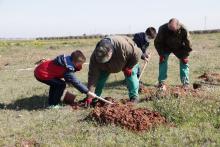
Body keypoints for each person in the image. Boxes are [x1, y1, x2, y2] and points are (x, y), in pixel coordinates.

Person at [84, 35, 143, 105]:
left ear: (110, 52)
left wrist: (129, 67)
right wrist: (89, 94)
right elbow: (92, 76)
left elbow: (137, 54)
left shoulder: (123, 46)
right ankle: (95, 98)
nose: (104, 61)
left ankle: (134, 97)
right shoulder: (95, 57)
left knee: (131, 76)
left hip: (127, 61)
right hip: (106, 67)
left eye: (105, 59)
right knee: (99, 79)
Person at [154, 18, 192, 90]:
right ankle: (161, 82)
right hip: (165, 47)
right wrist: (161, 54)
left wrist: (186, 54)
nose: (171, 30)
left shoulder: (184, 29)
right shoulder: (162, 29)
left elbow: (188, 43)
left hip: (178, 47)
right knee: (162, 61)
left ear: (178, 26)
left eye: (173, 28)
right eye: (170, 27)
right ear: (168, 24)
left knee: (184, 62)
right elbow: (157, 43)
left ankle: (185, 83)